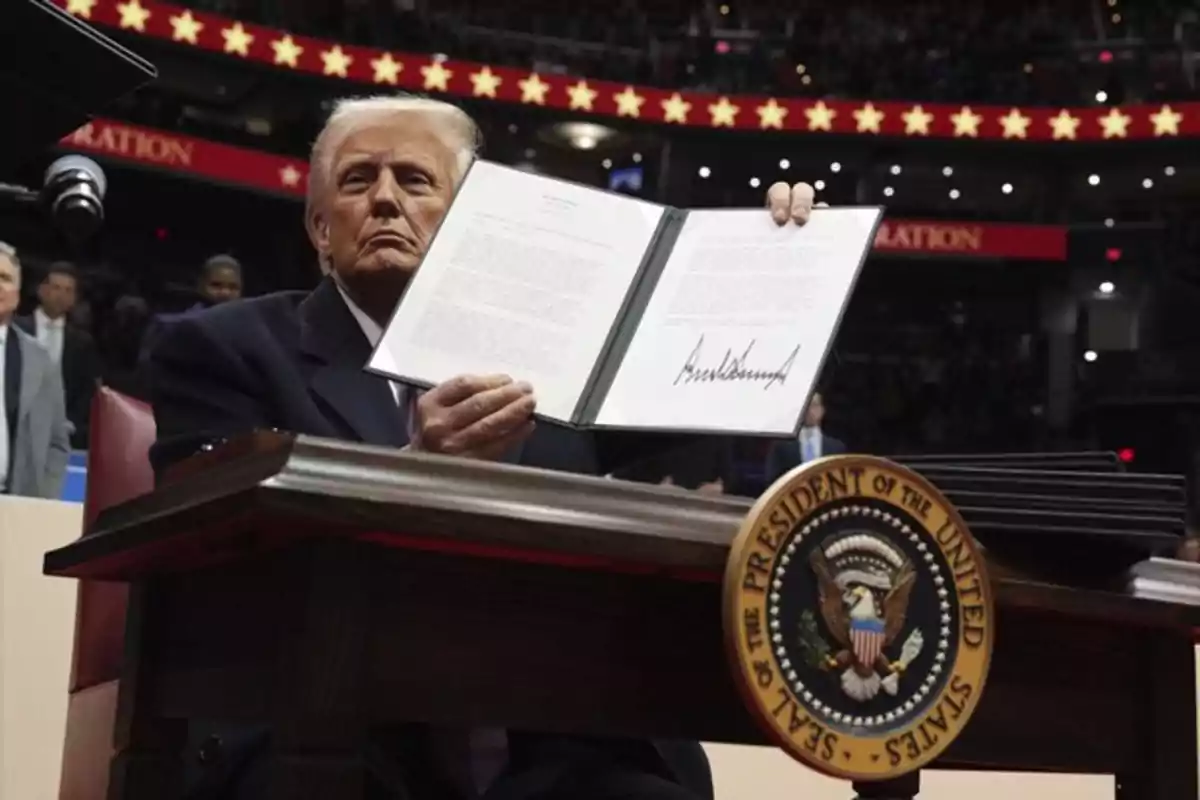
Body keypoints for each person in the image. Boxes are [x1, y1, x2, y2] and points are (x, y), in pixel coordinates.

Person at [147, 95, 821, 800]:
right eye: (356, 180)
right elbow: (215, 564)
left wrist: (784, 259)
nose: (383, 199)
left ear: (471, 226)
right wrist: (413, 479)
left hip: (556, 744)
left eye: (413, 180)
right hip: (331, 727)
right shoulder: (219, 349)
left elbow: (725, 382)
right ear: (320, 230)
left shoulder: (566, 359)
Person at [0, 242, 70, 498]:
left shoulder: (39, 359)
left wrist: (43, 499)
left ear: (17, 294)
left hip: (17, 504)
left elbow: (57, 442)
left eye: (5, 278)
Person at [14, 261, 100, 449]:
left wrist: (71, 423)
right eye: (56, 288)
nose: (61, 295)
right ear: (41, 290)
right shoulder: (15, 329)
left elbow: (87, 390)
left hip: (60, 434)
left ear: (75, 299)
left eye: (68, 290)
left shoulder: (82, 342)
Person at [764, 390, 846, 485]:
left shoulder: (836, 447)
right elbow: (772, 482)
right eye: (805, 405)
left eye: (814, 405)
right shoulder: (781, 446)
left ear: (822, 410)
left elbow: (841, 480)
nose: (809, 410)